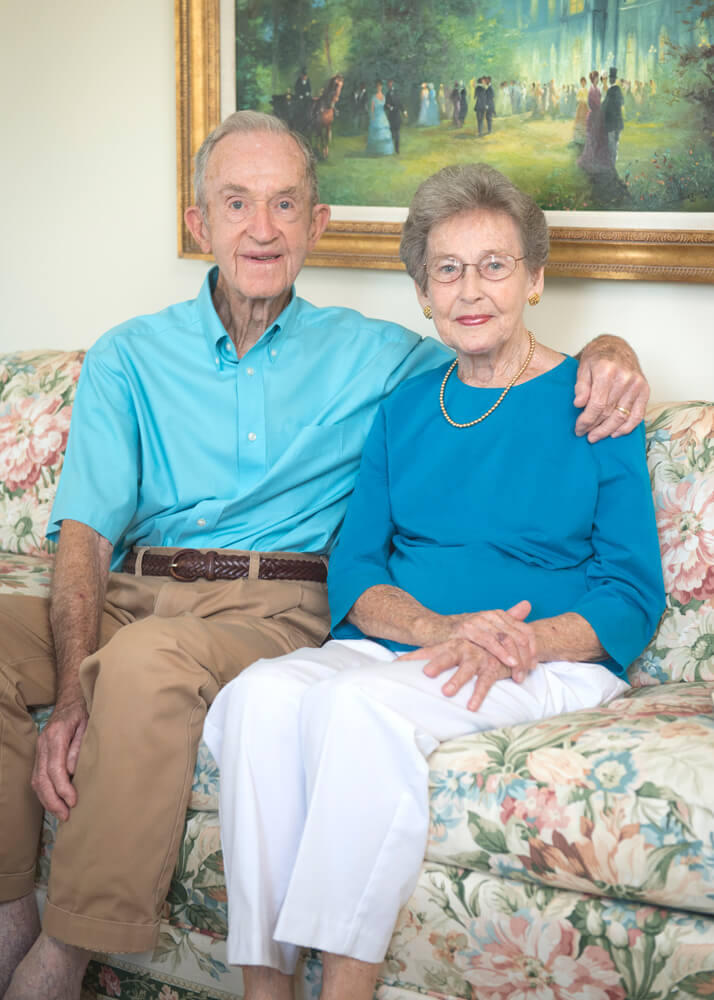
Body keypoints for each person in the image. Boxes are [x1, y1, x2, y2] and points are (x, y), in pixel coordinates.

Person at [0, 110, 648, 1000]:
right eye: (236, 203)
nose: (261, 229)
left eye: (283, 204)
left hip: (324, 617)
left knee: (239, 687)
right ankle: (46, 923)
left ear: (318, 223)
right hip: (172, 593)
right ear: (200, 226)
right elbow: (96, 536)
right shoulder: (379, 397)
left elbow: (619, 567)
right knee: (211, 689)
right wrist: (72, 692)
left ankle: (74, 957)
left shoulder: (450, 375)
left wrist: (613, 351)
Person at [204, 161, 665, 1000]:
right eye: (446, 270)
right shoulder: (407, 408)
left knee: (356, 707)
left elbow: (631, 590)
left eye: (495, 264)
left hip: (543, 659)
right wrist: (437, 629)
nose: (471, 288)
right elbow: (357, 569)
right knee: (258, 697)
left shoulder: (596, 399)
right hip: (411, 645)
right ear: (422, 293)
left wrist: (520, 638)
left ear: (532, 277)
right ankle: (261, 992)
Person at [578, 69, 610, 175]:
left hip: (598, 115)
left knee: (597, 137)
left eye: (598, 77)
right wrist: (600, 107)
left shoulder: (597, 89)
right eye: (596, 78)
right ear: (593, 79)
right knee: (592, 138)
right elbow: (592, 103)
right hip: (593, 116)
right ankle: (588, 160)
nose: (597, 79)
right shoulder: (592, 89)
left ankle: (596, 159)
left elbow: (600, 100)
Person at [603, 66, 625, 166]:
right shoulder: (617, 90)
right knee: (614, 142)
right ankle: (613, 160)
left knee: (612, 142)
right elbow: (621, 102)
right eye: (610, 78)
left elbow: (605, 105)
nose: (611, 80)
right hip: (616, 120)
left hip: (612, 121)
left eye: (612, 78)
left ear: (614, 79)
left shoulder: (612, 91)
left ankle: (612, 161)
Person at [366, 80, 394, 155]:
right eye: (377, 86)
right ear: (376, 87)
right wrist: (372, 118)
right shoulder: (373, 98)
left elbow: (386, 106)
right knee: (376, 133)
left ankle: (384, 150)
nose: (379, 87)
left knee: (384, 133)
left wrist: (390, 107)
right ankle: (376, 151)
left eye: (380, 86)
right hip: (376, 117)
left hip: (383, 116)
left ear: (381, 87)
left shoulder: (384, 97)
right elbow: (371, 110)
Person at [384, 79, 404, 154]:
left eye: (391, 83)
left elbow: (400, 103)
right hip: (391, 117)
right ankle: (391, 149)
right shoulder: (387, 94)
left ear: (392, 84)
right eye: (388, 83)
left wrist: (404, 111)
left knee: (397, 133)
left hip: (397, 116)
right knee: (392, 133)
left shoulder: (396, 92)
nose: (390, 84)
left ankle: (397, 149)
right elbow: (385, 106)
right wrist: (388, 107)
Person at [573, 75, 589, 146]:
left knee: (585, 121)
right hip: (580, 106)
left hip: (585, 106)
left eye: (584, 82)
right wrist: (580, 100)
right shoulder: (579, 90)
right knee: (579, 120)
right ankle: (578, 138)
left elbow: (587, 98)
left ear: (585, 83)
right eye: (582, 82)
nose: (583, 83)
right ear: (580, 83)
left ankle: (584, 138)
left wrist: (585, 101)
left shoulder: (586, 90)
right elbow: (577, 98)